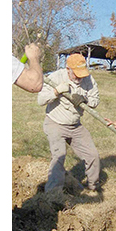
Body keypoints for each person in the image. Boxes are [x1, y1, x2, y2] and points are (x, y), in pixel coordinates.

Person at [37, 53, 100, 195]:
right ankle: (53, 194)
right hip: (55, 123)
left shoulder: (88, 79)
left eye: (81, 74)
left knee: (92, 155)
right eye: (76, 74)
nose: (79, 77)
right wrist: (56, 91)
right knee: (59, 156)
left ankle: (93, 187)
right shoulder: (55, 77)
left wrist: (85, 100)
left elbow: (95, 100)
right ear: (68, 69)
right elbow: (40, 100)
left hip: (75, 125)